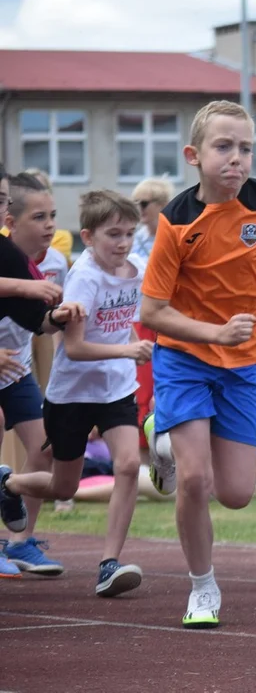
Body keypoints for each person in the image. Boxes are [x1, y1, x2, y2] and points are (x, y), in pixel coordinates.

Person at [139, 100, 256, 629]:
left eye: (245, 148)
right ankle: (202, 586)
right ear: (194, 156)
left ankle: (164, 434)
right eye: (224, 147)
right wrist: (212, 332)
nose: (236, 158)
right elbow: (152, 312)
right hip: (185, 357)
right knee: (194, 482)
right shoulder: (175, 222)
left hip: (244, 363)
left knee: (238, 494)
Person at [6, 191, 151, 595]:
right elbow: (75, 348)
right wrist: (127, 350)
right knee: (64, 488)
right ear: (88, 236)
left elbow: (128, 323)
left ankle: (109, 563)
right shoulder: (84, 277)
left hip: (117, 389)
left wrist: (134, 352)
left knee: (126, 466)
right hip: (72, 394)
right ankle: (10, 485)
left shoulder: (136, 268)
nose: (122, 243)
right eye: (113, 235)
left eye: (129, 234)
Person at [0, 173, 83, 577]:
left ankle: (19, 542)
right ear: (12, 221)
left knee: (46, 450)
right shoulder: (8, 256)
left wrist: (61, 317)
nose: (50, 224)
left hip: (16, 371)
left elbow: (39, 322)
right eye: (39, 216)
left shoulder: (52, 263)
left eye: (53, 215)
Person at [130, 178, 176, 454]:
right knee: (142, 386)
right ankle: (143, 453)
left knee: (166, 385)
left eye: (144, 203)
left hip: (170, 319)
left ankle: (168, 449)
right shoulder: (134, 240)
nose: (139, 210)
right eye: (136, 203)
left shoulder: (176, 236)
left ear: (161, 206)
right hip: (140, 318)